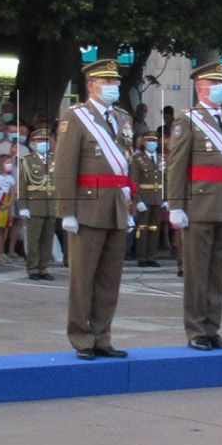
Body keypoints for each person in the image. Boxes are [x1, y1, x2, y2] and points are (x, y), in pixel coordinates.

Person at [55, 60, 135, 360]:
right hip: (87, 206)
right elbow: (65, 167)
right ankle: (81, 337)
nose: (113, 87)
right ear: (91, 85)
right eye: (106, 82)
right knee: (82, 278)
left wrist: (131, 196)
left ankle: (103, 335)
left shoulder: (122, 118)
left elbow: (128, 162)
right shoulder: (75, 117)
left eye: (115, 82)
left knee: (109, 278)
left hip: (116, 205)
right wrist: (67, 211)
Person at [167, 62, 222, 351]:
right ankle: (195, 329)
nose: (221, 88)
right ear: (201, 88)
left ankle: (212, 327)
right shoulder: (187, 120)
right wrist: (176, 205)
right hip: (199, 204)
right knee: (197, 272)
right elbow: (177, 166)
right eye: (215, 83)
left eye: (221, 83)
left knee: (217, 272)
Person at [19, 128, 59, 280]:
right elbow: (22, 185)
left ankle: (44, 267)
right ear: (32, 143)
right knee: (34, 239)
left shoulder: (55, 159)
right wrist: (22, 207)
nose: (43, 144)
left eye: (46, 141)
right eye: (39, 141)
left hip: (51, 205)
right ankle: (33, 268)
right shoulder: (27, 160)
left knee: (47, 239)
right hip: (34, 205)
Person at [131, 130, 165, 267]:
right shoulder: (138, 159)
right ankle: (142, 256)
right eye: (150, 141)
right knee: (142, 228)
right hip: (144, 196)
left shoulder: (161, 158)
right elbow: (134, 181)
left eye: (155, 141)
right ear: (144, 143)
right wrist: (137, 200)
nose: (153, 144)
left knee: (154, 228)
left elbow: (166, 179)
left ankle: (152, 255)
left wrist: (166, 198)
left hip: (157, 197)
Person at [0, 153, 17, 263]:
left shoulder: (10, 178)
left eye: (10, 163)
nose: (9, 165)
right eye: (7, 163)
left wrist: (9, 204)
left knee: (1, 230)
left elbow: (13, 192)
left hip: (4, 206)